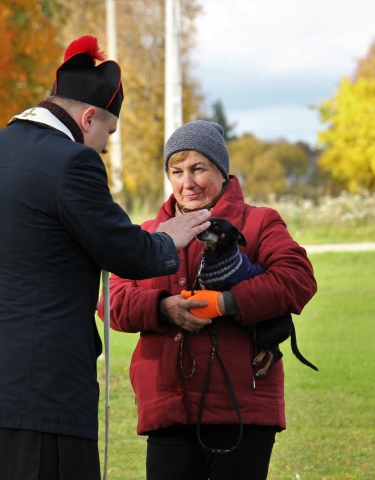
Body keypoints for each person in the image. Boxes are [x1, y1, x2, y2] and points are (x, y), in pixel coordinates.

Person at [0, 36, 211, 480]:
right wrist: (167, 237)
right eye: (107, 135)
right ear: (89, 116)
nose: (103, 147)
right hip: (39, 396)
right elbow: (127, 252)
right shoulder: (73, 162)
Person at [104, 120, 318, 480]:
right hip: (166, 408)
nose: (187, 183)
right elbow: (111, 301)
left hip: (240, 406)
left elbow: (297, 279)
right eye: (177, 171)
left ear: (222, 171)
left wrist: (226, 304)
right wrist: (162, 308)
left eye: (198, 168)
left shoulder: (260, 223)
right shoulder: (146, 235)